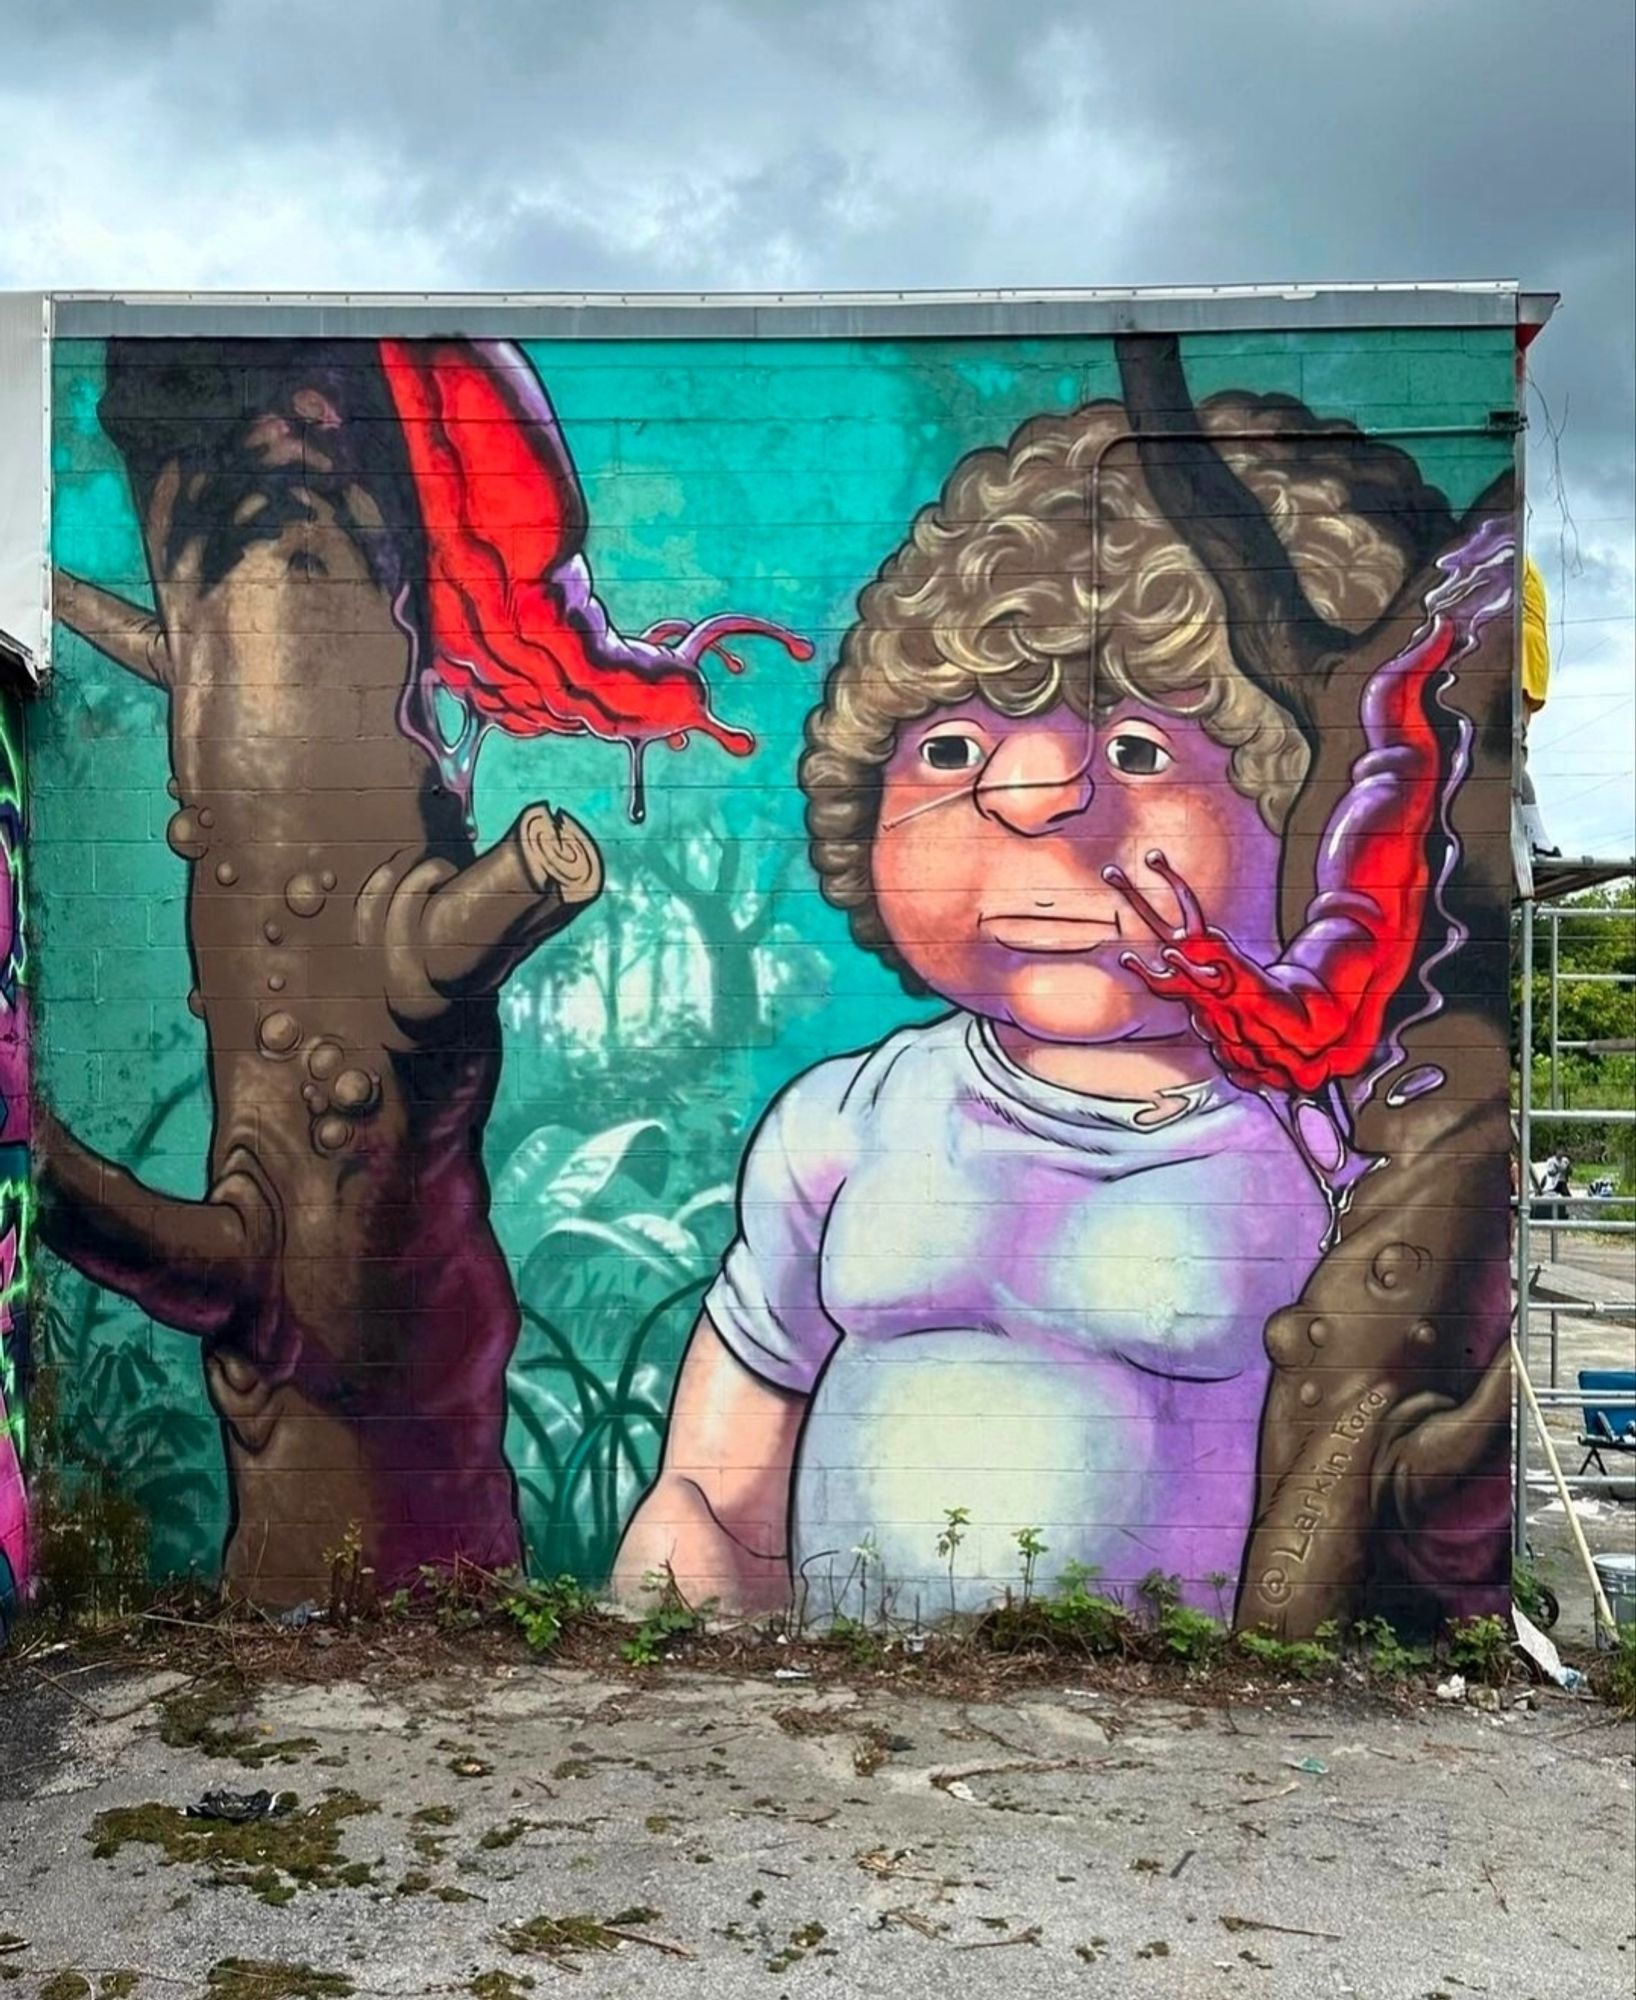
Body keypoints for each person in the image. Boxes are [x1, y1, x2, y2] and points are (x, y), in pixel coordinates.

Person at [615, 395, 1454, 1618]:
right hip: (827, 1735)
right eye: (951, 749)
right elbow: (717, 1477)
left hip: (1157, 1741)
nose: (1029, 802)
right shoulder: (847, 1117)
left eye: (1140, 751)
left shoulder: (1327, 1138)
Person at [1518, 557, 1560, 857]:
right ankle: (1533, 834)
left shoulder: (1516, 556)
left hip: (1519, 655)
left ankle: (1535, 837)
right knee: (1512, 751)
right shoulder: (1525, 562)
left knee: (1510, 753)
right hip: (1525, 656)